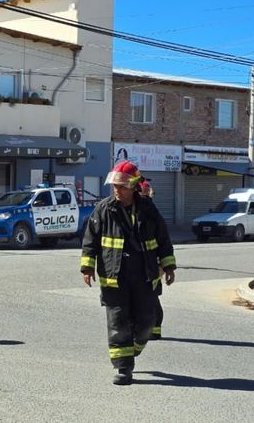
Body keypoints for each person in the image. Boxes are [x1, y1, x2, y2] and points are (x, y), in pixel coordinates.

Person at [80, 161, 176, 385]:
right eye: (114, 186)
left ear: (133, 186)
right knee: (118, 323)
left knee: (147, 322)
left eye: (121, 186)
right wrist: (87, 267)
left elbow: (163, 238)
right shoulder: (103, 209)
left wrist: (169, 265)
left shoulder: (148, 209)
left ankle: (132, 350)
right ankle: (123, 369)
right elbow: (90, 239)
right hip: (114, 277)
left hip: (144, 275)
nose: (117, 190)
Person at [138, 179, 163, 340]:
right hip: (141, 263)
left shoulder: (151, 212)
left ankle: (154, 329)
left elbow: (162, 240)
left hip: (151, 263)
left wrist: (162, 264)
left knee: (151, 297)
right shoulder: (137, 209)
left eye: (146, 192)